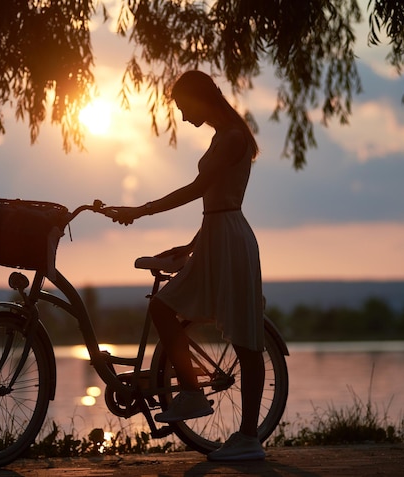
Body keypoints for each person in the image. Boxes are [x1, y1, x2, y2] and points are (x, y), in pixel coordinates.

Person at [104, 70, 266, 462]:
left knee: (246, 340)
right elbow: (215, 198)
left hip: (229, 240)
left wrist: (140, 210)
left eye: (181, 105)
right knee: (162, 306)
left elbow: (198, 191)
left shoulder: (231, 137)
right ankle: (192, 392)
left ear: (198, 98)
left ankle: (248, 439)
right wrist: (192, 243)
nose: (179, 114)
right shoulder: (221, 136)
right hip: (215, 235)